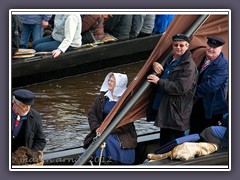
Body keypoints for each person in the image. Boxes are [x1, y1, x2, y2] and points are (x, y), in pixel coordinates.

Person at [146, 34, 198, 146]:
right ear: (172, 46)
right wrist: (154, 64)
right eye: (176, 45)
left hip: (177, 111)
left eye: (181, 45)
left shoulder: (189, 66)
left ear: (187, 46)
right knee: (164, 139)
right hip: (167, 108)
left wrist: (159, 81)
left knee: (175, 142)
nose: (178, 47)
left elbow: (180, 88)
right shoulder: (170, 59)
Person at [83, 72, 137, 165]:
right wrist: (97, 128)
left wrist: (106, 130)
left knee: (104, 141)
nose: (109, 82)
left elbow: (125, 122)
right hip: (100, 131)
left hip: (120, 133)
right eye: (109, 80)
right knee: (98, 140)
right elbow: (92, 113)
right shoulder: (102, 97)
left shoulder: (126, 101)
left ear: (119, 84)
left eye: (112, 81)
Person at [189, 36, 228, 134]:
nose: (211, 49)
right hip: (197, 104)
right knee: (194, 130)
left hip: (212, 109)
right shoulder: (201, 55)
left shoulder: (223, 65)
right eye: (209, 46)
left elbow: (211, 86)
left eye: (214, 48)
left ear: (220, 49)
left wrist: (188, 95)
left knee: (206, 135)